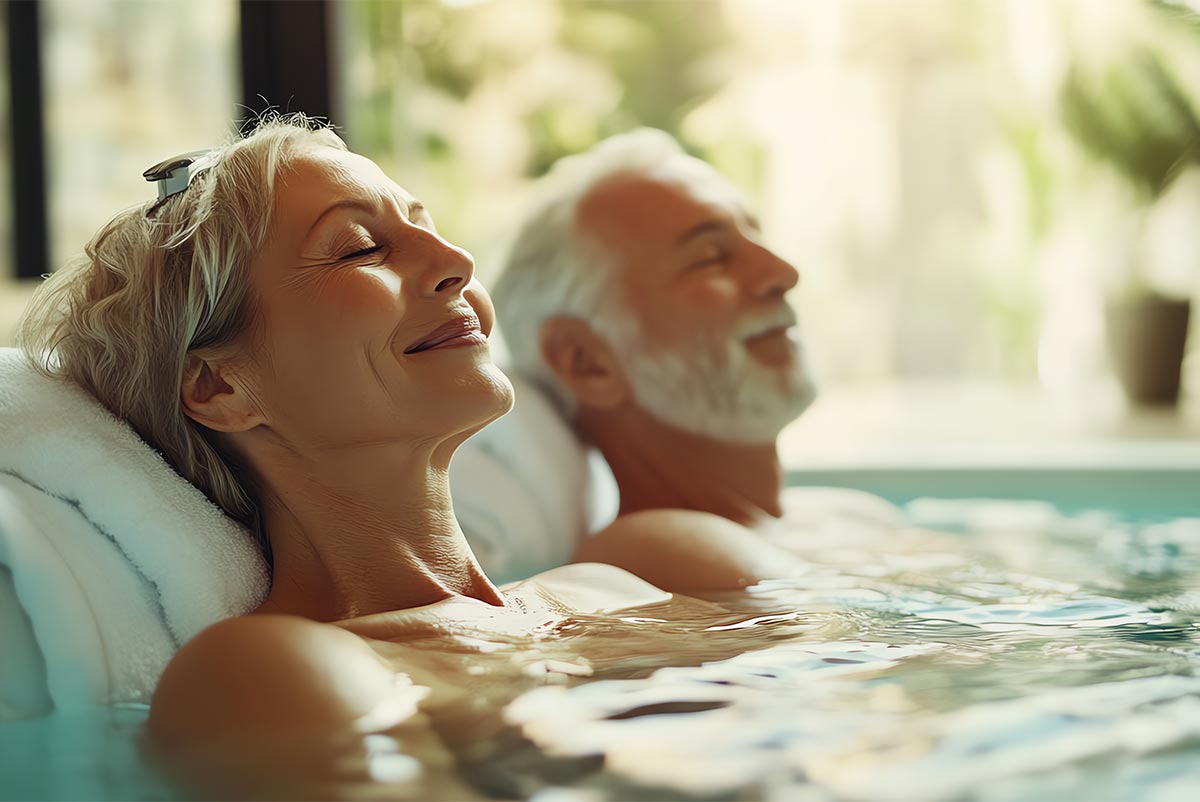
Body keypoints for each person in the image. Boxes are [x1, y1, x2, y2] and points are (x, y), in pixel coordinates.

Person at [16, 116, 746, 751]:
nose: (457, 264)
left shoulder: (617, 585)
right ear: (219, 386)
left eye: (427, 227)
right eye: (362, 249)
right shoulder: (266, 674)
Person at [487, 130, 901, 587]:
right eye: (711, 258)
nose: (782, 273)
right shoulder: (647, 554)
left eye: (756, 236)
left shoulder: (850, 516)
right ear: (587, 361)